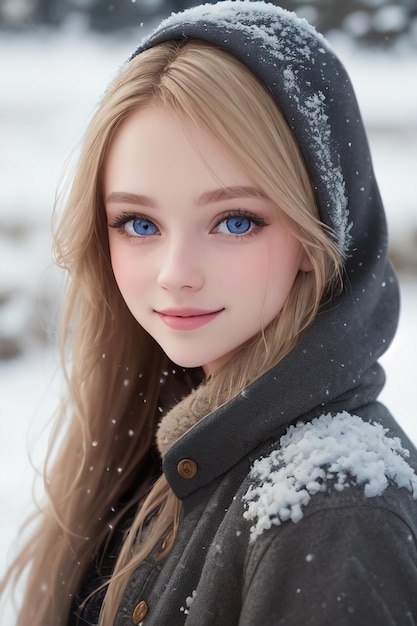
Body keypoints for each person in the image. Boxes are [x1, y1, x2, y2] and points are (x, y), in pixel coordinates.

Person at [2, 1, 417, 624]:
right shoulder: (150, 433)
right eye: (138, 223)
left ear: (317, 233)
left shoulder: (331, 510)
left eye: (234, 221)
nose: (175, 274)